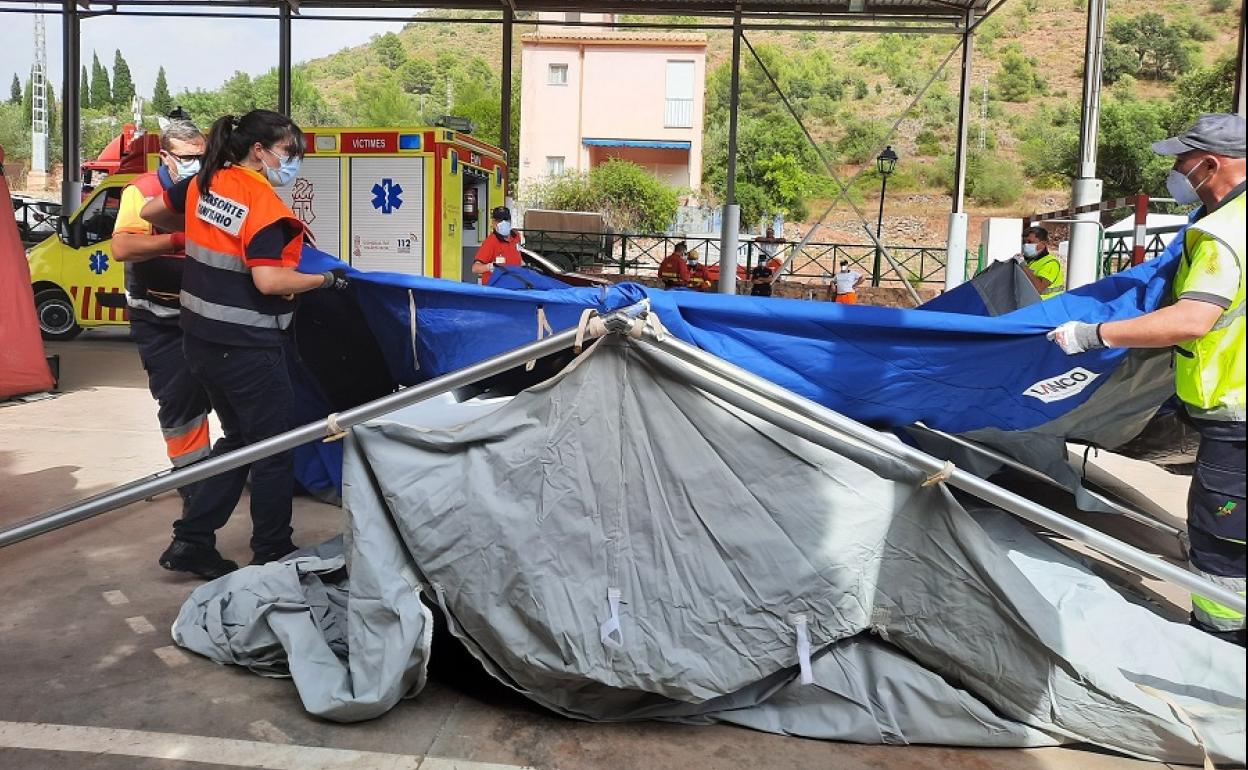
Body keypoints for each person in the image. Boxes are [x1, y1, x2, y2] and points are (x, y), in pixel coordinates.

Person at [1048, 113, 1245, 646]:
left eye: (1183, 160)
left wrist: (1094, 335)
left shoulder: (1225, 233)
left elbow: (1192, 319)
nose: (1176, 170)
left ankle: (1219, 645)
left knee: (1224, 540)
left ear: (1211, 163)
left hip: (1238, 419)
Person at [141, 110, 351, 579]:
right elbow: (270, 280)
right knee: (273, 450)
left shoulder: (207, 182)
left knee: (240, 443)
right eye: (288, 153)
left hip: (199, 340)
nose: (292, 163)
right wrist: (324, 280)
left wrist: (188, 229)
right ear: (260, 150)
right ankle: (273, 552)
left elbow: (151, 211)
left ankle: (192, 540)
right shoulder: (264, 203)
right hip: (247, 347)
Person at [110, 118, 212, 474]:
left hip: (207, 315)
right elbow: (122, 246)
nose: (195, 163)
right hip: (161, 319)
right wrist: (175, 240)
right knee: (180, 400)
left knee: (226, 394)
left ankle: (226, 472)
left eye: (201, 155)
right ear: (165, 156)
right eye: (186, 157)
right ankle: (193, 479)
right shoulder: (143, 190)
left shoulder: (210, 186)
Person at [471, 206, 521, 285]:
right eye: (499, 220)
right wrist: (489, 267)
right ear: (493, 223)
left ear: (510, 221)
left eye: (506, 220)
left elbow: (518, 256)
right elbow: (475, 268)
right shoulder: (490, 242)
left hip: (514, 284)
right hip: (495, 287)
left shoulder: (516, 236)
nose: (503, 223)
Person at [1018, 226, 1065, 300]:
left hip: (1048, 307)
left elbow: (1039, 288)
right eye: (1024, 242)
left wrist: (1023, 266)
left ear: (1043, 244)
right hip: (1032, 307)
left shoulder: (1051, 263)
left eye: (1030, 242)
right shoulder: (1029, 261)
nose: (1025, 245)